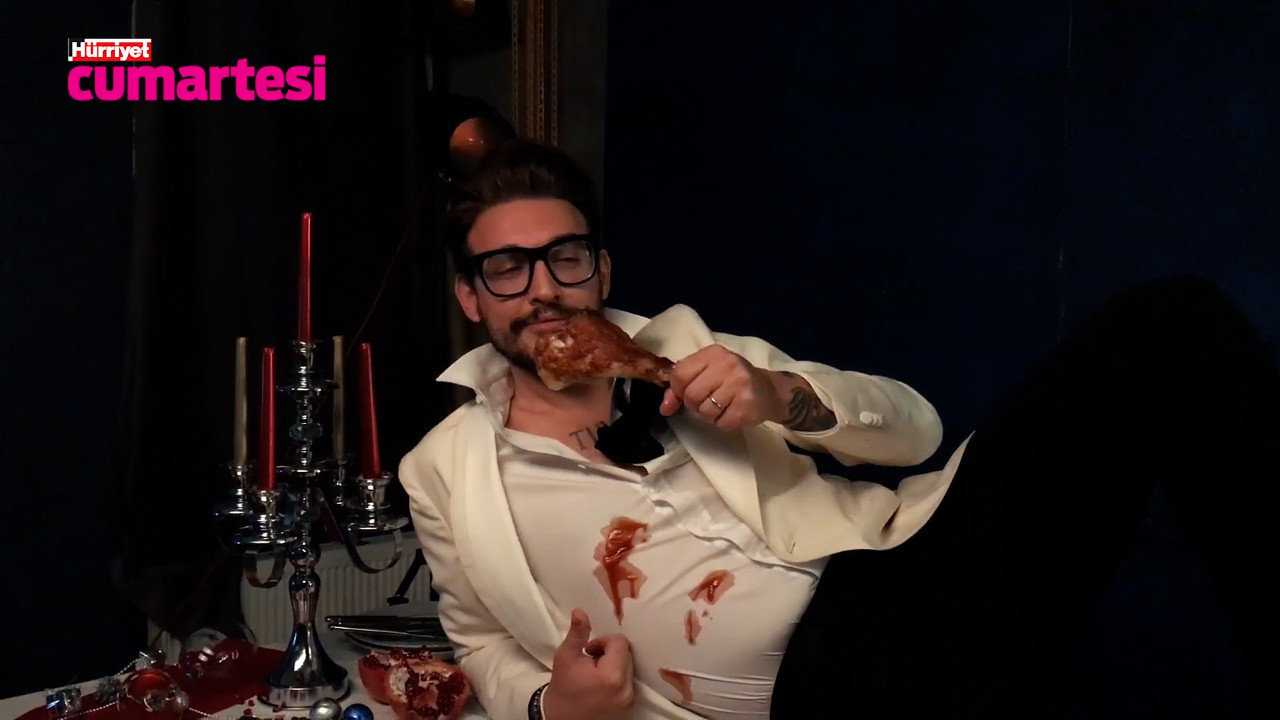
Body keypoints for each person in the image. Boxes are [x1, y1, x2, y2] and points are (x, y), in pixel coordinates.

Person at [399, 140, 1278, 720]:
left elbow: (917, 430)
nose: (543, 290)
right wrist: (552, 707)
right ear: (471, 297)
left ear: (600, 270)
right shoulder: (444, 470)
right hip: (811, 690)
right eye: (506, 269)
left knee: (1170, 322)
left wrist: (780, 395)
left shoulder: (689, 345)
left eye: (565, 258)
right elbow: (478, 640)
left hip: (902, 566)